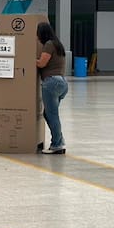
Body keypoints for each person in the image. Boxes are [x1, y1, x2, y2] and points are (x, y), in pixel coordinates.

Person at [36, 22, 69, 155]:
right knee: (48, 114)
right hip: (61, 83)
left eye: (37, 34)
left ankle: (57, 145)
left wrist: (27, 59)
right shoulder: (57, 44)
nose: (37, 37)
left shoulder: (49, 45)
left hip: (51, 83)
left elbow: (41, 63)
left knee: (52, 115)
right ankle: (59, 141)